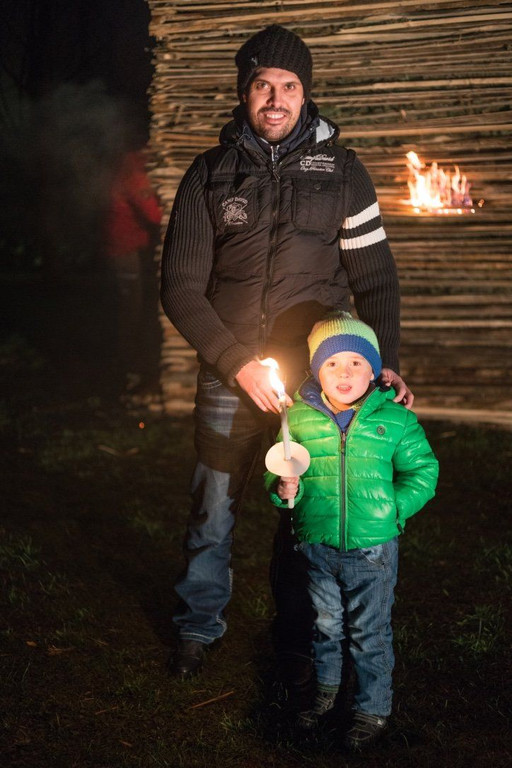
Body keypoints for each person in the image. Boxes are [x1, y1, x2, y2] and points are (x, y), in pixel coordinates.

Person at [160, 23, 412, 684]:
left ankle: (299, 638)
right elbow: (181, 287)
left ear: (306, 93)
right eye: (263, 85)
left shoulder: (345, 173)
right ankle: (197, 626)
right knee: (214, 506)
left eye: (289, 86)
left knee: (305, 512)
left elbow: (375, 280)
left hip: (313, 387)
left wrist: (384, 360)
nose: (276, 99)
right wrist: (235, 362)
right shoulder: (209, 174)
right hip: (228, 377)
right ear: (244, 92)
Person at [265, 311, 438, 751]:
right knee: (325, 626)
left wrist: (393, 509)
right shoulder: (298, 419)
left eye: (356, 363)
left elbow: (423, 470)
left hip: (372, 550)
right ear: (315, 371)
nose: (344, 373)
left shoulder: (395, 420)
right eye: (332, 363)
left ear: (374, 370)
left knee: (369, 632)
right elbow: (281, 472)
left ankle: (372, 707)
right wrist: (284, 489)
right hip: (317, 544)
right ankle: (325, 694)